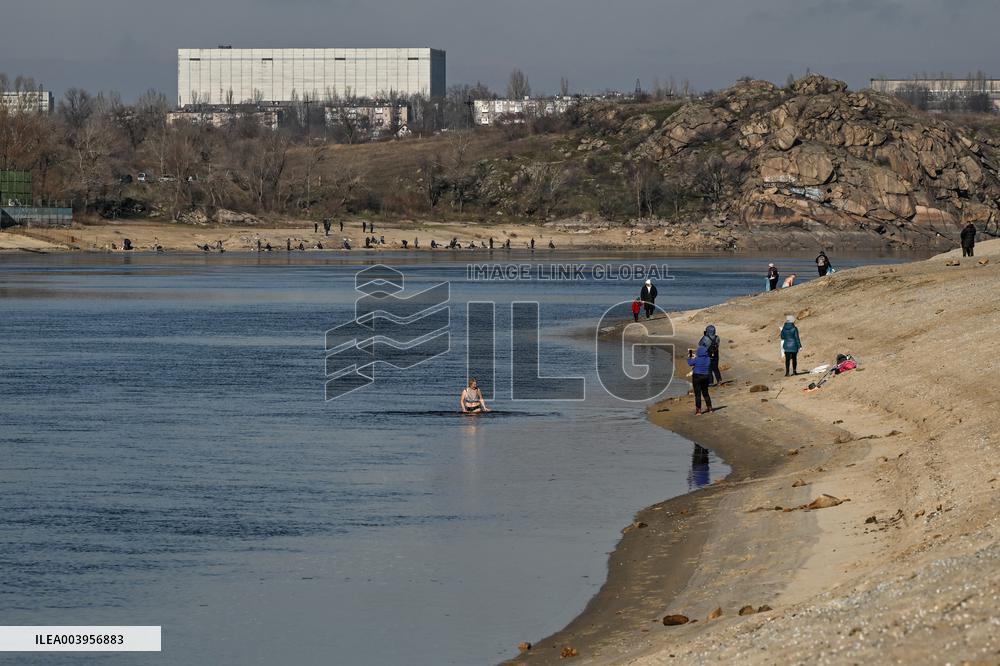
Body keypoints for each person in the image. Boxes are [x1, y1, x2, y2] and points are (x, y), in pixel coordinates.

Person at [687, 346, 713, 415]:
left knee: (698, 394)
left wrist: (690, 356)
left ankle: (698, 410)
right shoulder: (708, 359)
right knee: (705, 393)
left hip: (697, 376)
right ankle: (710, 408)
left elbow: (690, 363)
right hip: (705, 376)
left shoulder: (697, 359)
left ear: (699, 352)